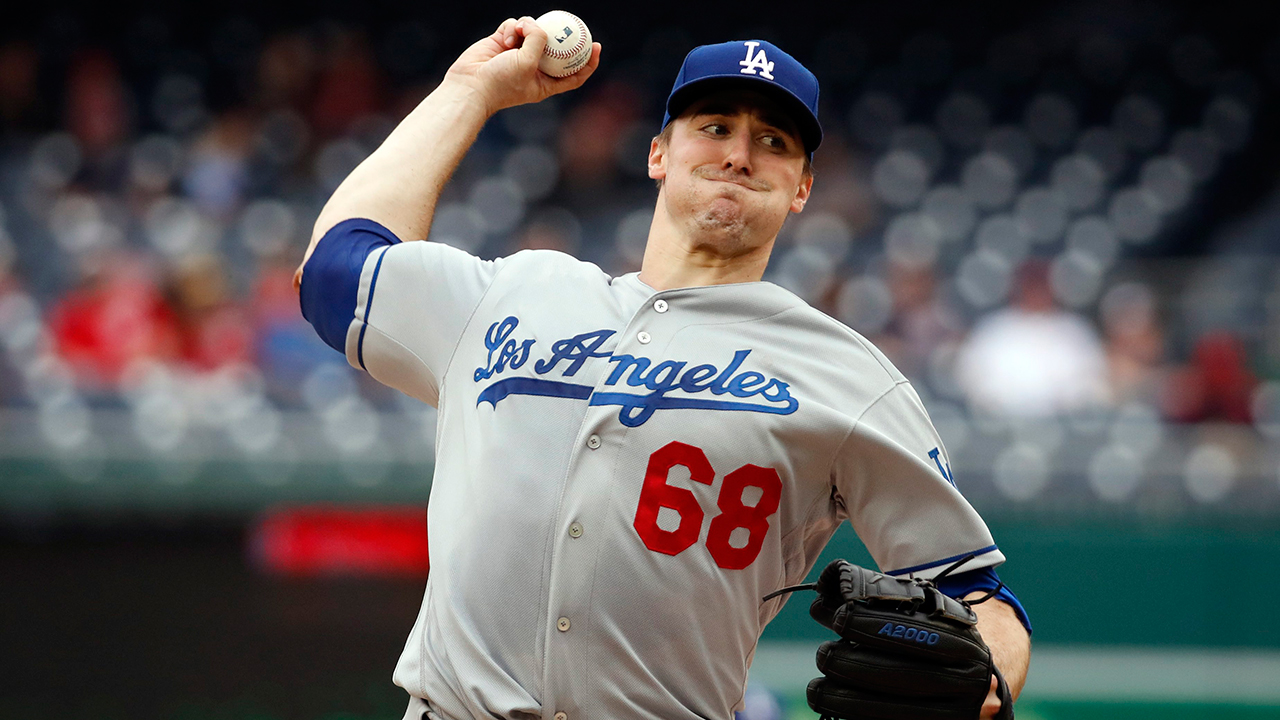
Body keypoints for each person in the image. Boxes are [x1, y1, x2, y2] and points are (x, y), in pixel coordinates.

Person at [295, 17, 1031, 720]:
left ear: (803, 187)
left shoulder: (848, 375)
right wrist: (470, 91)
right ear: (658, 154)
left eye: (772, 140)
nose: (740, 154)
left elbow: (977, 595)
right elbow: (334, 268)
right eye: (715, 128)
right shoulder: (513, 293)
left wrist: (988, 679)